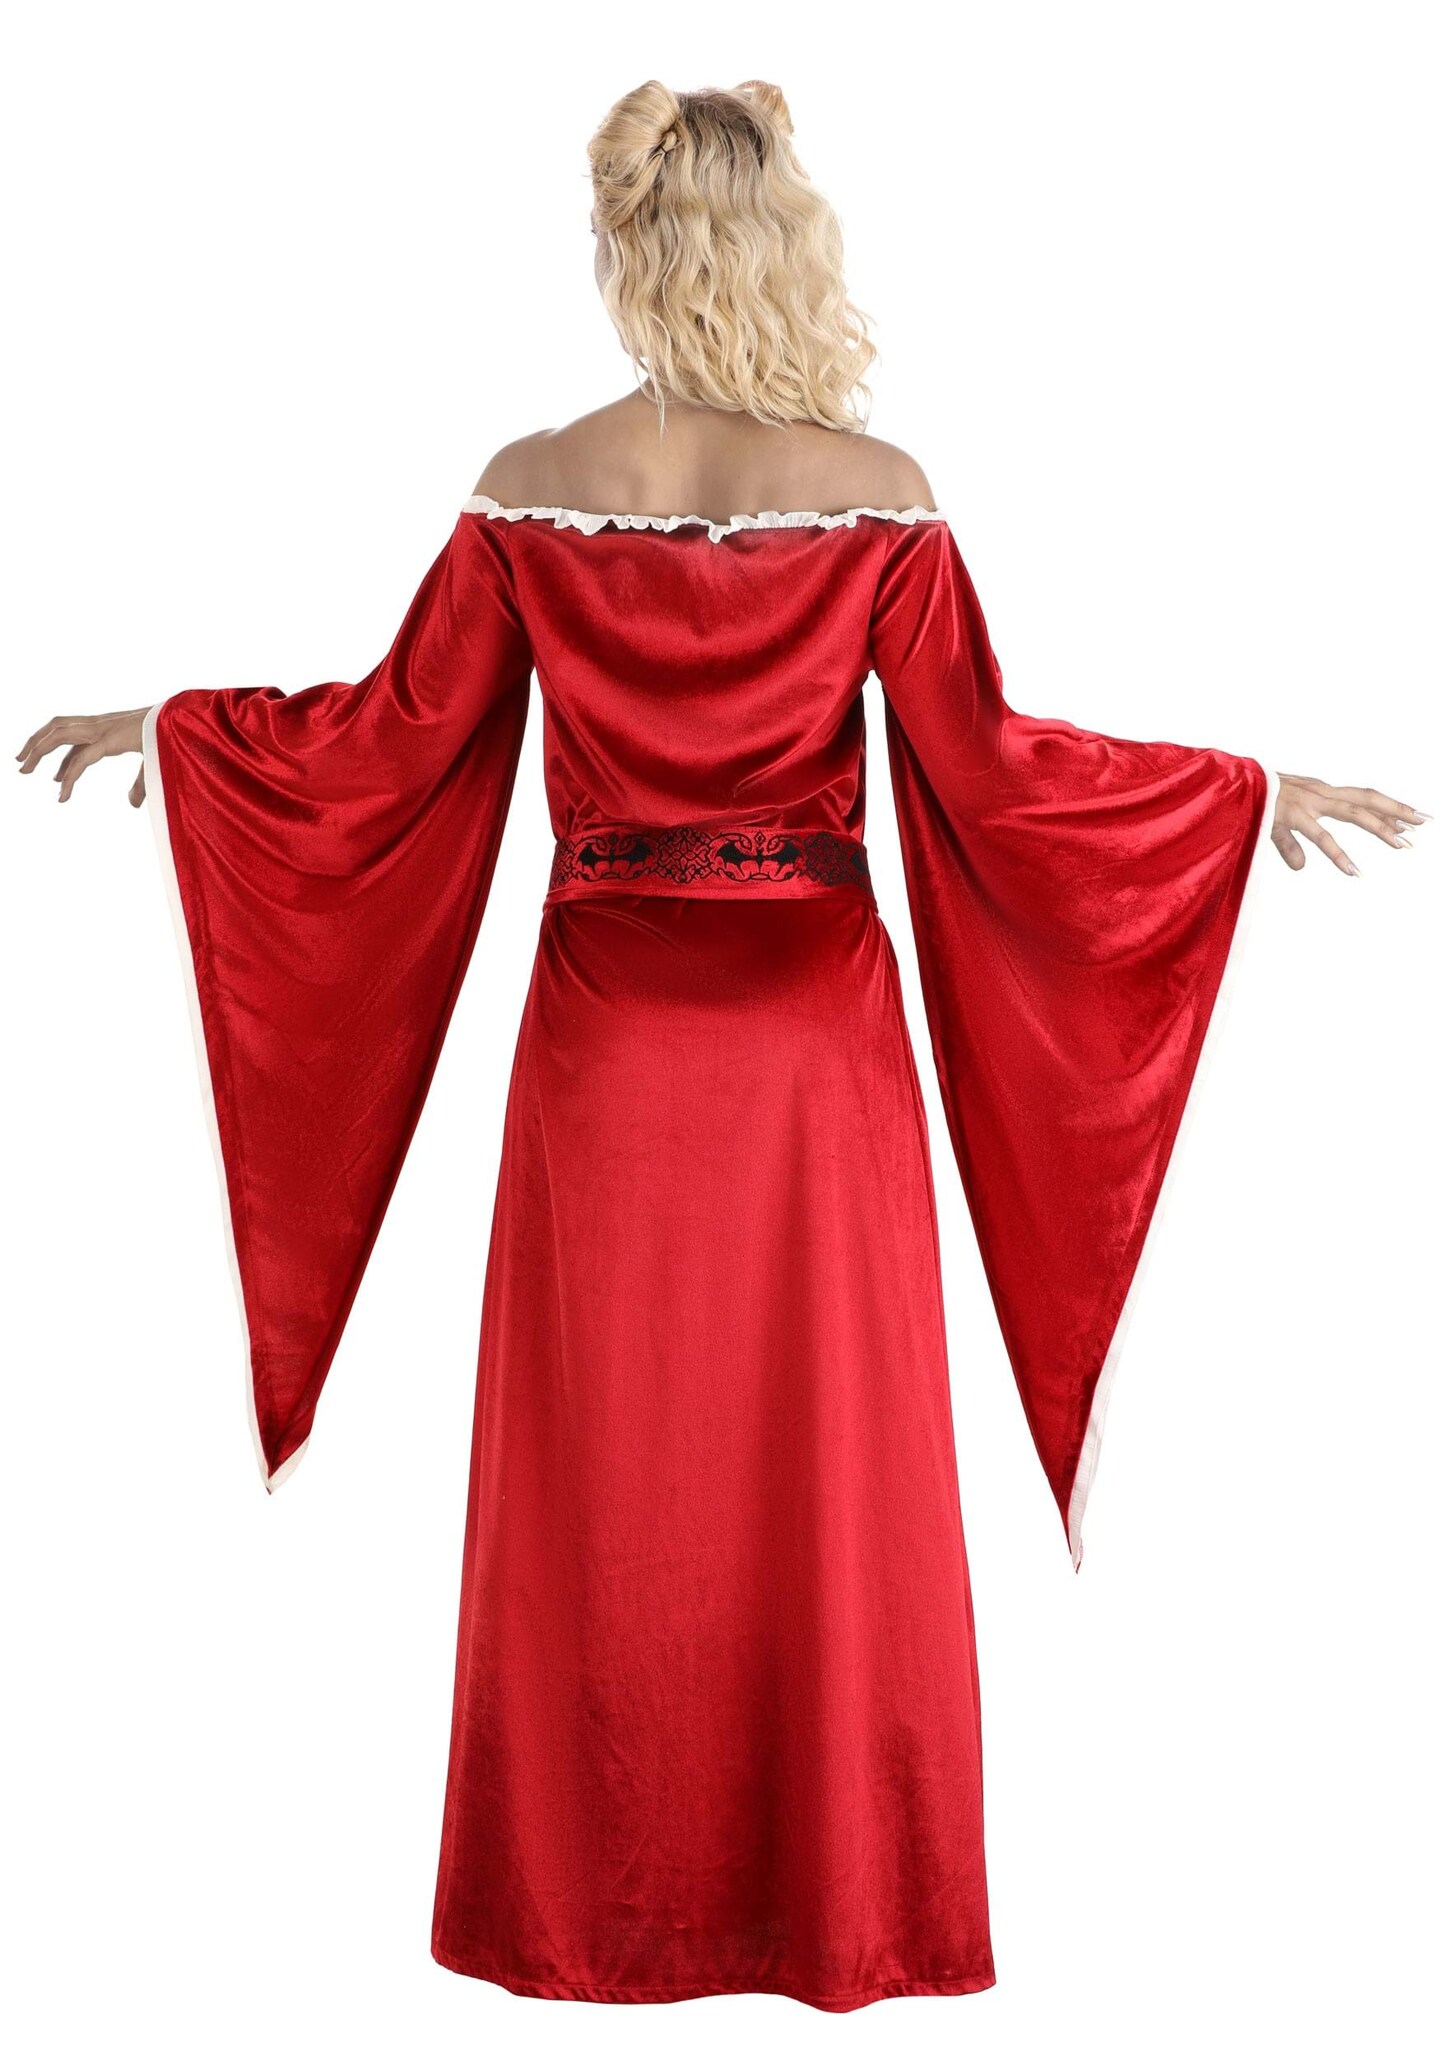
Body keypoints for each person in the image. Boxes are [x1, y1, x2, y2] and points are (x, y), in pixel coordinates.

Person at [14, 76, 1424, 2013]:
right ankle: (835, 1903)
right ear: (786, 241)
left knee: (608, 1464)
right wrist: (1232, 799)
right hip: (810, 1040)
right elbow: (997, 768)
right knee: (822, 1459)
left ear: (621, 242)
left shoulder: (530, 482)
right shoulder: (878, 491)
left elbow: (381, 740)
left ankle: (588, 1909)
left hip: (604, 1034)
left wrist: (180, 737)